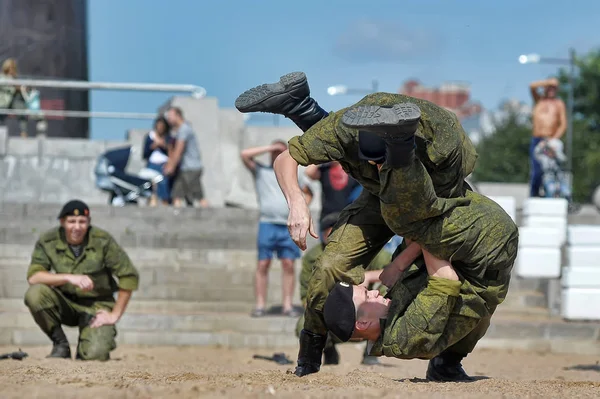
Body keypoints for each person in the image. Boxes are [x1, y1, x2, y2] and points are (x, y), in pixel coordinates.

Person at [235, 72, 517, 379]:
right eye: (375, 157)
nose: (377, 166)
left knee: (464, 294)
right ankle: (312, 349)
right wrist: (297, 203)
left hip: (436, 195)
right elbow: (285, 159)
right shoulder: (345, 128)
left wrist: (401, 261)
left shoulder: (440, 143)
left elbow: (427, 228)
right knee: (331, 264)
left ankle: (306, 109)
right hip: (391, 204)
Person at [322, 188, 516, 381]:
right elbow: (445, 278)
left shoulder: (388, 310)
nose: (374, 293)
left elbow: (415, 242)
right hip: (490, 247)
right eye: (366, 297)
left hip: (471, 230)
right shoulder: (405, 336)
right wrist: (421, 226)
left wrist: (400, 262)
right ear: (362, 322)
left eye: (367, 291)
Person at [23, 200, 139, 361]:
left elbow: (129, 276)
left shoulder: (102, 240)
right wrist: (68, 277)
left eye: (82, 222)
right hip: (65, 303)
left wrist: (114, 315)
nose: (77, 227)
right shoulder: (48, 241)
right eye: (71, 221)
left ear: (88, 222)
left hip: (96, 306)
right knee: (35, 293)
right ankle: (60, 344)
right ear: (62, 222)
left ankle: (86, 345)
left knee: (94, 355)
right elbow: (34, 277)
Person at [296, 212, 391, 366]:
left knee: (384, 294)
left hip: (366, 311)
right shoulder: (315, 258)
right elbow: (307, 295)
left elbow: (393, 271)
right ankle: (327, 351)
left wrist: (366, 277)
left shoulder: (366, 249)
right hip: (332, 313)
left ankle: (372, 352)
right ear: (323, 234)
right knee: (303, 324)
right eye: (331, 230)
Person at [241, 140, 314, 317]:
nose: (277, 155)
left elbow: (309, 193)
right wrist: (270, 147)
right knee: (263, 263)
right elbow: (245, 154)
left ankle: (287, 304)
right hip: (267, 222)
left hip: (288, 223)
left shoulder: (295, 175)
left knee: (288, 264)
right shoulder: (262, 172)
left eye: (280, 153)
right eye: (275, 152)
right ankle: (260, 304)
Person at [163, 106, 209, 208]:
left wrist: (171, 167)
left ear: (178, 115)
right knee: (178, 195)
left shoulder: (184, 129)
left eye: (170, 116)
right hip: (186, 168)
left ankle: (213, 218)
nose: (168, 119)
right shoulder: (182, 130)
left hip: (191, 169)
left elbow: (178, 151)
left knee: (198, 197)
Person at [529, 78, 567, 197]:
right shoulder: (539, 100)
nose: (551, 90)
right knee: (536, 170)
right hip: (537, 140)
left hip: (550, 141)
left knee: (550, 170)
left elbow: (563, 124)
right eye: (549, 88)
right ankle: (534, 195)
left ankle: (549, 195)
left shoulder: (558, 104)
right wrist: (547, 82)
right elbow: (532, 86)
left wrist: (553, 140)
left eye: (553, 88)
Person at [304, 161, 361, 233]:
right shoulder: (325, 170)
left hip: (348, 217)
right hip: (328, 216)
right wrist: (322, 158)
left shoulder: (352, 170)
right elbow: (309, 172)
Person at [142, 116, 174, 206]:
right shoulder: (150, 137)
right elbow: (145, 153)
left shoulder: (168, 138)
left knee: (164, 186)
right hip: (152, 165)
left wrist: (163, 145)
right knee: (151, 188)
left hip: (163, 165)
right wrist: (153, 146)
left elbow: (171, 152)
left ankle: (165, 204)